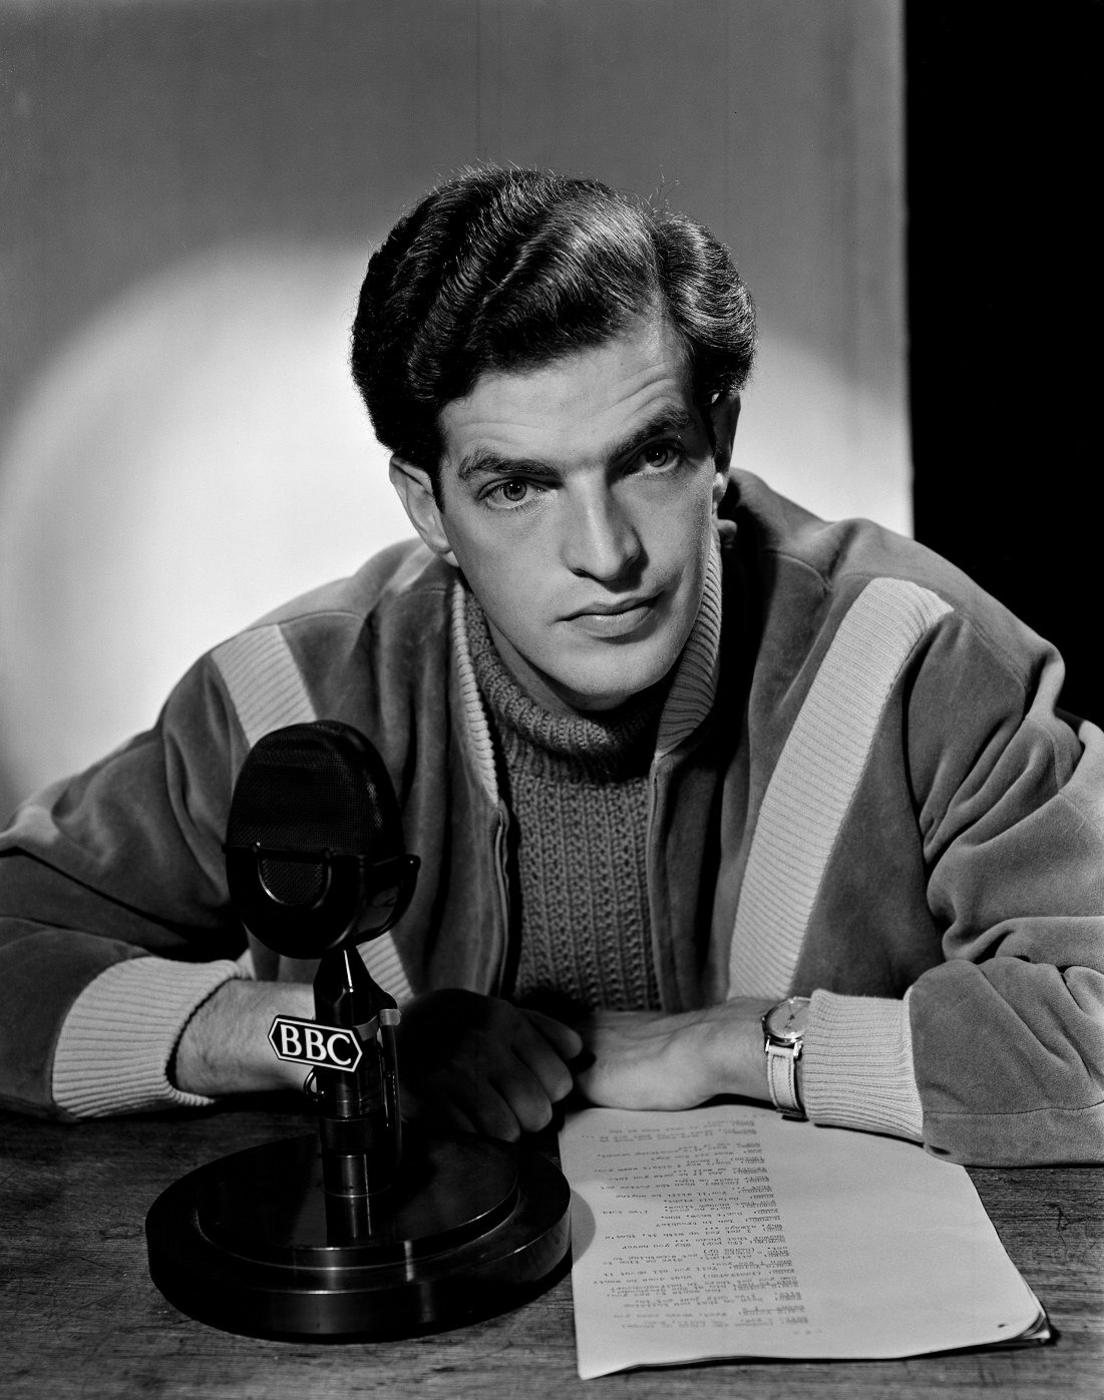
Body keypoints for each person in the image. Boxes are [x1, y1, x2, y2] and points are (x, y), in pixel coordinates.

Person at [1, 166, 1101, 1167]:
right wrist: (334, 1043)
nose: (606, 552)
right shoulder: (279, 699)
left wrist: (736, 1047)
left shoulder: (920, 649)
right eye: (518, 487)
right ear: (427, 505)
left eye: (649, 457)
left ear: (718, 438)